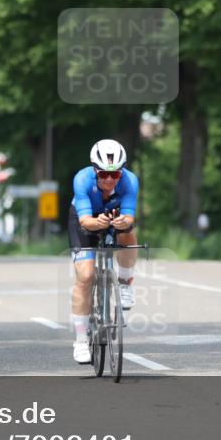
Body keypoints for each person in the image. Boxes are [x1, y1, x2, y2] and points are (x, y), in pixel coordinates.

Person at [68, 139, 139, 364]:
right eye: (103, 174)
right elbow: (86, 222)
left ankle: (125, 282)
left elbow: (129, 216)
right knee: (86, 275)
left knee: (128, 231)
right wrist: (97, 223)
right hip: (86, 219)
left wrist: (122, 222)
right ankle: (80, 340)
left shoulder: (130, 181)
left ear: (122, 172)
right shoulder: (82, 180)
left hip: (113, 215)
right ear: (94, 170)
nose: (109, 179)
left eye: (115, 174)